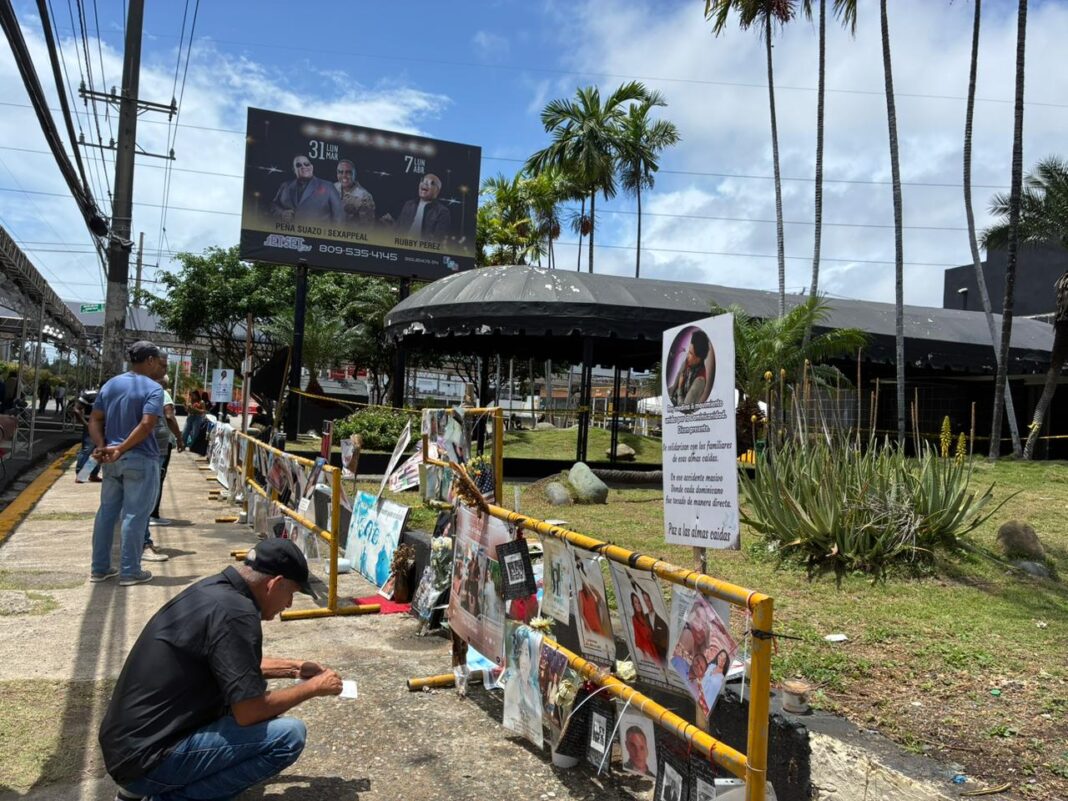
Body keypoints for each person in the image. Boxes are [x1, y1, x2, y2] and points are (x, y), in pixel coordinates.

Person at [98, 539, 342, 801]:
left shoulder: (213, 591)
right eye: (291, 593)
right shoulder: (237, 613)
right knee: (287, 736)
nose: (289, 603)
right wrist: (313, 688)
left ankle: (137, 792)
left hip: (129, 747)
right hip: (146, 760)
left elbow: (232, 662)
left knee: (241, 696)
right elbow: (250, 712)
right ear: (275, 583)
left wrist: (294, 669)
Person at [89, 341, 167, 586]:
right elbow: (147, 424)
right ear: (150, 360)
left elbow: (95, 419)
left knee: (106, 513)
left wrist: (102, 445)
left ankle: (99, 568)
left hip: (110, 459)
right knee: (135, 515)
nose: (160, 366)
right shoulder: (153, 389)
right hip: (140, 458)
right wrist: (122, 448)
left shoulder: (111, 384)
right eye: (159, 361)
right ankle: (130, 571)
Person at [144, 376, 184, 554]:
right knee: (154, 484)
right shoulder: (162, 394)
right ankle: (151, 518)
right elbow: (169, 416)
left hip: (142, 444)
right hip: (158, 446)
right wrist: (179, 437)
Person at [270, 155, 342, 224]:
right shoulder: (285, 186)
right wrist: (281, 214)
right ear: (294, 170)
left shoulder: (328, 186)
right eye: (298, 165)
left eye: (307, 164)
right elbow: (274, 206)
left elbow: (339, 216)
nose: (303, 167)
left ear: (312, 167)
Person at [383, 173, 451, 243]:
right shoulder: (409, 205)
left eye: (431, 183)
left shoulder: (442, 212)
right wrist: (391, 223)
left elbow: (438, 240)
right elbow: (398, 230)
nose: (425, 183)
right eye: (423, 181)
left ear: (437, 191)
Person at [668, 330, 712, 407]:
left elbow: (684, 408)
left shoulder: (699, 380)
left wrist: (680, 387)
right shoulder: (688, 362)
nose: (687, 355)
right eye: (689, 351)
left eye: (691, 353)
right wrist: (669, 395)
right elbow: (677, 378)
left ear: (699, 358)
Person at [333, 159, 375, 225]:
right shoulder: (333, 187)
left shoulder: (364, 197)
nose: (344, 176)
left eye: (348, 172)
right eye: (340, 172)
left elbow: (367, 227)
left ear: (354, 174)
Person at [73, 388, 102, 483]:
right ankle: (80, 475)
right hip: (91, 426)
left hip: (104, 427)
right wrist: (86, 424)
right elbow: (76, 410)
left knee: (98, 450)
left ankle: (92, 474)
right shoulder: (89, 395)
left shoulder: (112, 395)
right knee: (87, 449)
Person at [639, 586, 670, 660]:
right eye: (645, 601)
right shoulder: (644, 618)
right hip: (649, 656)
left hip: (662, 657)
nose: (647, 604)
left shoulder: (661, 620)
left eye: (648, 600)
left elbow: (667, 642)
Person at [629, 592, 659, 661]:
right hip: (647, 652)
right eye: (635, 602)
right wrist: (645, 654)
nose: (638, 605)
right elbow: (638, 639)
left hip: (655, 649)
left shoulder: (646, 617)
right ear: (633, 605)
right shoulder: (635, 619)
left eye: (639, 602)